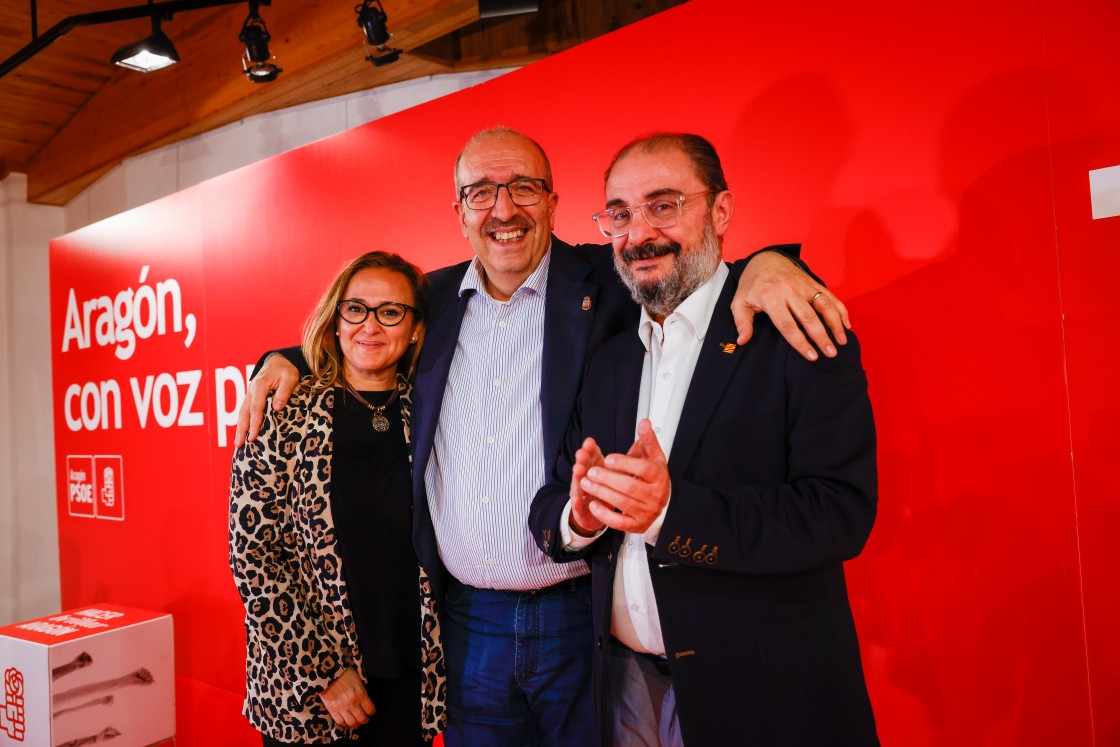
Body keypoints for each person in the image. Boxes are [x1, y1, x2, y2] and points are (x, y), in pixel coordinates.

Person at [236, 128, 852, 747]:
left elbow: (694, 271)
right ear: (459, 212)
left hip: (578, 614)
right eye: (480, 192)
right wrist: (285, 357)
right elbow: (366, 330)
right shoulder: (434, 300)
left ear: (553, 201)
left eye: (523, 187)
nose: (503, 210)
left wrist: (773, 264)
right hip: (466, 619)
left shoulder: (609, 281)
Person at [529, 132, 879, 746]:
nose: (638, 234)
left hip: (762, 690)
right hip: (624, 688)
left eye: (664, 205)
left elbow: (840, 513)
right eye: (620, 214)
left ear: (720, 211)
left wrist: (669, 512)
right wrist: (579, 520)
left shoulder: (795, 327)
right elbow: (552, 498)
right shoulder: (609, 359)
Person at [229, 251, 445, 746]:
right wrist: (324, 672)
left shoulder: (431, 414)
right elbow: (254, 557)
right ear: (336, 317)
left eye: (390, 311)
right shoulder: (284, 411)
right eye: (356, 309)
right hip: (307, 688)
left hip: (411, 675)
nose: (370, 325)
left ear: (413, 329)